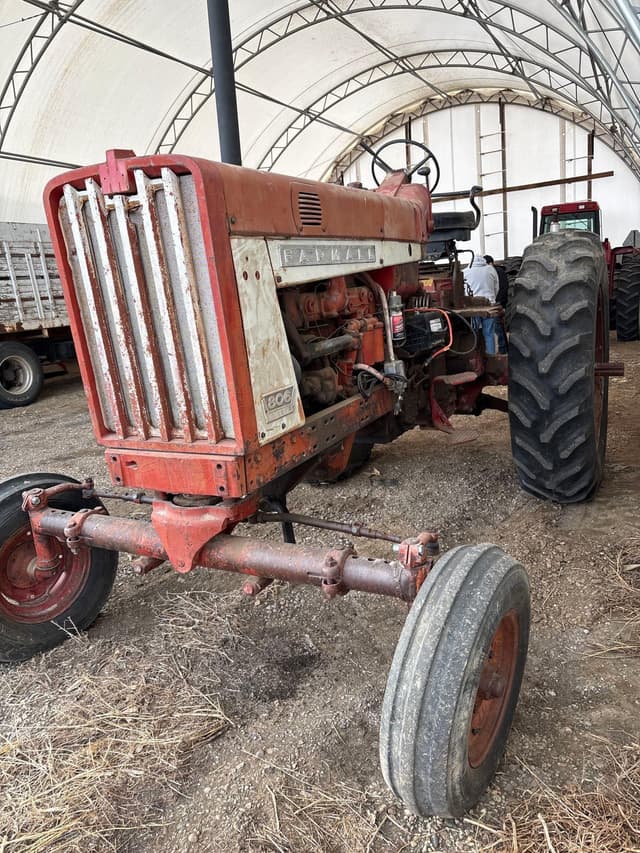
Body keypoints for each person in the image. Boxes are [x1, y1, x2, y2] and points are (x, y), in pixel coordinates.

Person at [463, 254, 499, 354]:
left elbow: (463, 291)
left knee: (473, 333)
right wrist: (492, 299)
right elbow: (497, 287)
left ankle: (475, 357)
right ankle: (491, 357)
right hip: (489, 306)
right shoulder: (491, 269)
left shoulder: (465, 272)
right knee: (489, 334)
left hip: (472, 308)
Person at [484, 255, 509, 355]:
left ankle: (503, 350)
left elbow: (502, 288)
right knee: (495, 328)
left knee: (498, 327)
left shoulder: (498, 272)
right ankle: (501, 349)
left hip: (497, 303)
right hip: (494, 302)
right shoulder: (490, 272)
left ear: (490, 263)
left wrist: (499, 303)